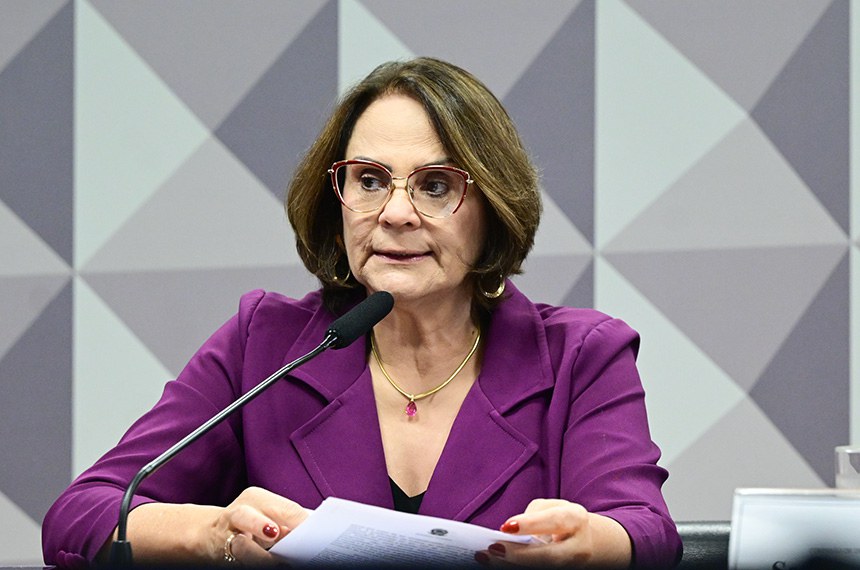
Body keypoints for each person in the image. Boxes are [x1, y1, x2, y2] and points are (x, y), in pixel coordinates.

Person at [42, 57, 682, 568]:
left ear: (493, 207)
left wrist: (590, 544)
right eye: (370, 180)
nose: (395, 213)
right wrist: (214, 533)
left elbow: (646, 530)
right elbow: (84, 514)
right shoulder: (265, 344)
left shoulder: (580, 355)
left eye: (435, 185)